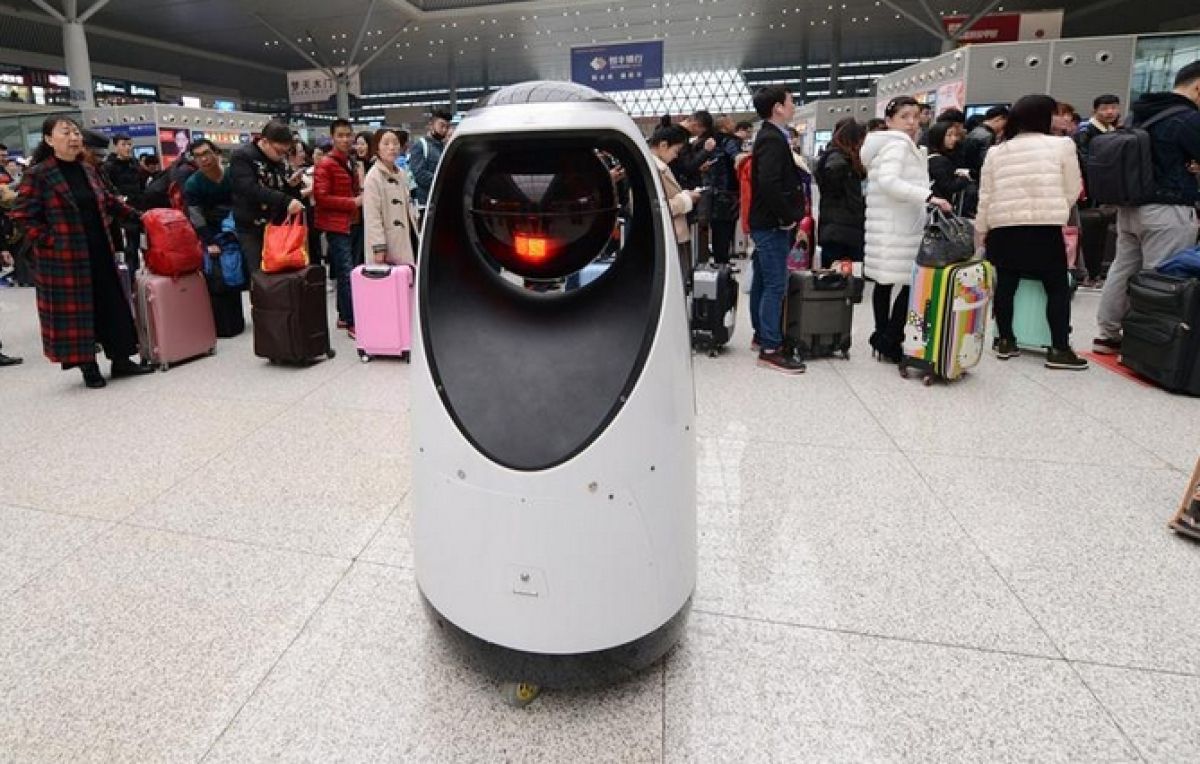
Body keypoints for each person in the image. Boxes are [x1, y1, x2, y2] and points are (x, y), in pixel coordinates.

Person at [11, 116, 152, 388]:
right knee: (78, 314)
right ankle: (88, 366)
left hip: (99, 250)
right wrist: (50, 240)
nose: (74, 138)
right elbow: (22, 216)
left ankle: (122, 359)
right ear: (49, 140)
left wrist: (141, 217)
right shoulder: (39, 174)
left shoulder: (88, 169)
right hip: (64, 258)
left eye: (76, 132)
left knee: (111, 304)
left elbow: (109, 202)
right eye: (66, 133)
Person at [1094, 62, 1200, 355]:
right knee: (1162, 278)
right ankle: (1149, 345)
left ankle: (1107, 334)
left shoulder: (1139, 113)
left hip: (1130, 208)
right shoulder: (1187, 118)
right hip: (1168, 209)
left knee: (1121, 270)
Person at [976, 94, 1088, 370]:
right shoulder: (1062, 145)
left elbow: (986, 195)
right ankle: (1059, 349)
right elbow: (1073, 188)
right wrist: (1057, 207)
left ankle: (1005, 340)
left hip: (1003, 227)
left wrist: (981, 228)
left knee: (1006, 285)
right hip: (1044, 226)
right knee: (1056, 287)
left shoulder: (997, 151)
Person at [861, 96, 953, 363]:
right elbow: (889, 181)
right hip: (899, 226)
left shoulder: (886, 145)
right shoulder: (898, 145)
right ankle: (890, 338)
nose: (912, 122)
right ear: (889, 121)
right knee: (910, 282)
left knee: (885, 282)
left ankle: (882, 336)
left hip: (887, 225)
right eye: (904, 117)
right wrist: (928, 197)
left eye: (915, 116)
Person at [747, 85, 807, 374]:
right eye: (790, 101)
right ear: (777, 108)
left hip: (765, 221)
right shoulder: (772, 139)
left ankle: (762, 335)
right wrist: (786, 217)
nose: (794, 106)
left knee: (763, 280)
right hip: (772, 223)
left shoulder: (769, 136)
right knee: (775, 285)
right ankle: (770, 348)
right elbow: (769, 183)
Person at [229, 120, 304, 276]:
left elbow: (283, 190)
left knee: (282, 271)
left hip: (278, 226)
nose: (282, 156)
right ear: (264, 141)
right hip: (252, 227)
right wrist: (285, 200)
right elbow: (249, 189)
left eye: (285, 153)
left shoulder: (280, 162)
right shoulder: (243, 156)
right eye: (279, 151)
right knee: (260, 274)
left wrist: (292, 187)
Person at [314, 118, 363, 337]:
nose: (345, 139)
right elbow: (321, 198)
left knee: (348, 272)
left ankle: (344, 316)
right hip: (337, 226)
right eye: (340, 135)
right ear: (332, 137)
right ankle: (353, 321)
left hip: (351, 223)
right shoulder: (326, 164)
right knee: (346, 273)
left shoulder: (349, 160)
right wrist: (352, 202)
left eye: (348, 135)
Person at [648, 125, 702, 287]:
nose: (676, 156)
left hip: (672, 235)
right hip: (668, 237)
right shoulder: (653, 169)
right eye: (675, 151)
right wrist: (686, 198)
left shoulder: (659, 167)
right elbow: (656, 207)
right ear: (663, 145)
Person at [362, 128, 419, 266]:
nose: (392, 147)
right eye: (386, 143)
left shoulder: (401, 173)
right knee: (390, 277)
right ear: (377, 148)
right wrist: (378, 247)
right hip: (386, 243)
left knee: (407, 274)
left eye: (395, 143)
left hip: (406, 237)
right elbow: (372, 216)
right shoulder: (373, 177)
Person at [814, 118, 867, 265]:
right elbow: (843, 194)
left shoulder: (837, 158)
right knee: (839, 273)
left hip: (838, 229)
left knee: (837, 272)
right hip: (842, 230)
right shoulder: (840, 162)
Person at [183, 139, 233, 245]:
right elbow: (196, 216)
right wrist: (210, 242)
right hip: (213, 232)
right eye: (198, 156)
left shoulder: (233, 174)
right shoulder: (193, 184)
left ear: (216, 153)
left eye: (207, 153)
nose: (204, 159)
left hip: (241, 227)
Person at [408, 107, 451, 210]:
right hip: (425, 204)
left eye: (447, 127)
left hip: (441, 202)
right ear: (431, 125)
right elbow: (419, 174)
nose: (444, 130)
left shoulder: (443, 147)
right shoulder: (420, 145)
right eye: (441, 126)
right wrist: (443, 180)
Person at [926, 121, 973, 210]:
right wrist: (964, 177)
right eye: (949, 135)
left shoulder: (931, 156)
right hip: (940, 207)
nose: (954, 139)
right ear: (938, 137)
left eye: (955, 135)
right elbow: (949, 186)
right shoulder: (939, 161)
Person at [962, 105, 1009, 181]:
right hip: (979, 177)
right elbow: (985, 162)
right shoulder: (988, 136)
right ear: (998, 119)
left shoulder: (974, 131)